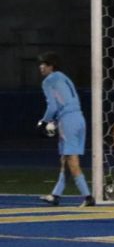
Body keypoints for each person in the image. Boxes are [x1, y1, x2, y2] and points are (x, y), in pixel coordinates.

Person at [36, 52, 93, 206]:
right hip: (79, 119)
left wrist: (43, 122)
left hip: (67, 121)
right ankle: (56, 195)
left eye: (43, 64)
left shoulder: (48, 81)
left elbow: (53, 106)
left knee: (72, 161)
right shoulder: (65, 77)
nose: (40, 67)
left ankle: (88, 197)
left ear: (50, 66)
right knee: (65, 159)